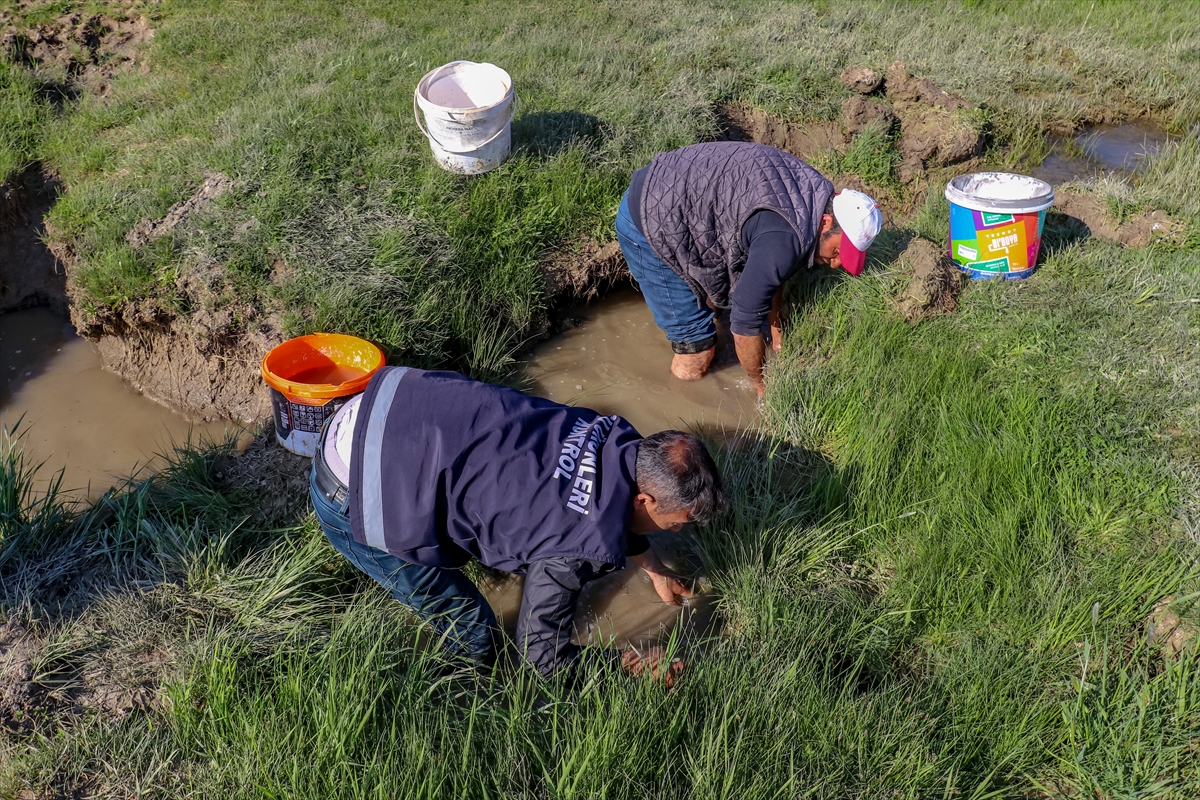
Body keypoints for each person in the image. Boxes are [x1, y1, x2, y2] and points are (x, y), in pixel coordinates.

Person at [309, 366, 727, 684]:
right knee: (475, 634)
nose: (676, 530)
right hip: (353, 490)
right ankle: (460, 697)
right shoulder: (576, 545)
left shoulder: (611, 435)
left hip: (379, 403)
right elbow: (541, 659)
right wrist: (630, 664)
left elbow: (603, 500)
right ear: (645, 500)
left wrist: (653, 568)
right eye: (676, 523)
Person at [616, 141, 883, 397]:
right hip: (649, 218)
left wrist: (777, 330)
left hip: (681, 193)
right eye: (836, 252)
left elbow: (774, 268)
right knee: (697, 349)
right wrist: (761, 389)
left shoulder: (815, 195)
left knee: (715, 307)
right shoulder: (784, 237)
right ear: (826, 222)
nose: (836, 264)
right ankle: (678, 401)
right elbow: (744, 324)